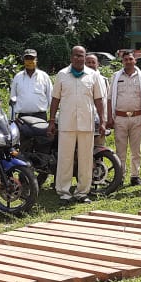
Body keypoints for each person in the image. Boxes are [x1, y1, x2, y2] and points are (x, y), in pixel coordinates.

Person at [48, 46, 106, 203]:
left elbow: (99, 99)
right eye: (76, 55)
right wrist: (52, 120)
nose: (78, 58)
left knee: (86, 159)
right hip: (66, 123)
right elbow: (55, 99)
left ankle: (82, 192)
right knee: (65, 158)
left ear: (85, 57)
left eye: (81, 56)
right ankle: (64, 192)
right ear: (71, 57)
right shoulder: (62, 75)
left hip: (86, 124)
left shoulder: (93, 75)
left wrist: (103, 120)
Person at [109, 49, 141, 186]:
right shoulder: (115, 77)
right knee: (120, 150)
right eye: (126, 60)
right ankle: (120, 176)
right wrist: (109, 118)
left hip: (137, 118)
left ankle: (135, 176)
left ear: (135, 60)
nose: (128, 61)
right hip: (120, 118)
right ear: (122, 61)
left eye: (131, 59)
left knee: (136, 150)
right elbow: (109, 99)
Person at [9, 48, 52, 119]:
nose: (29, 61)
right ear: (24, 60)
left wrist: (52, 119)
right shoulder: (18, 77)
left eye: (32, 58)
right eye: (27, 58)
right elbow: (12, 99)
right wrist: (11, 119)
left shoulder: (44, 76)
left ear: (36, 60)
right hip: (22, 118)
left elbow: (50, 98)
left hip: (40, 117)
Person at [84, 53, 111, 147]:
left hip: (99, 120)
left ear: (98, 64)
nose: (91, 65)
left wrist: (106, 119)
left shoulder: (104, 80)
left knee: (99, 148)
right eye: (88, 62)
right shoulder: (80, 79)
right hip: (84, 121)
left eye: (93, 62)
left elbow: (108, 101)